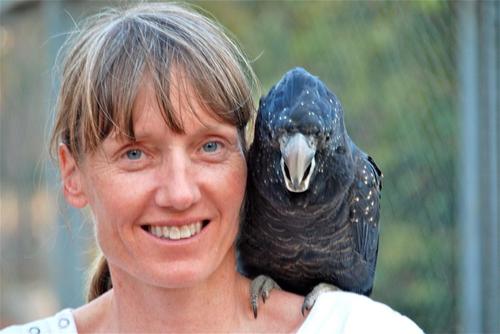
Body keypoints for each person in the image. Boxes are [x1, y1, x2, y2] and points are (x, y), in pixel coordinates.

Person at [2, 3, 422, 333]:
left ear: (246, 162)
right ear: (71, 175)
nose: (180, 193)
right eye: (135, 154)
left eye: (209, 146)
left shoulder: (363, 328)